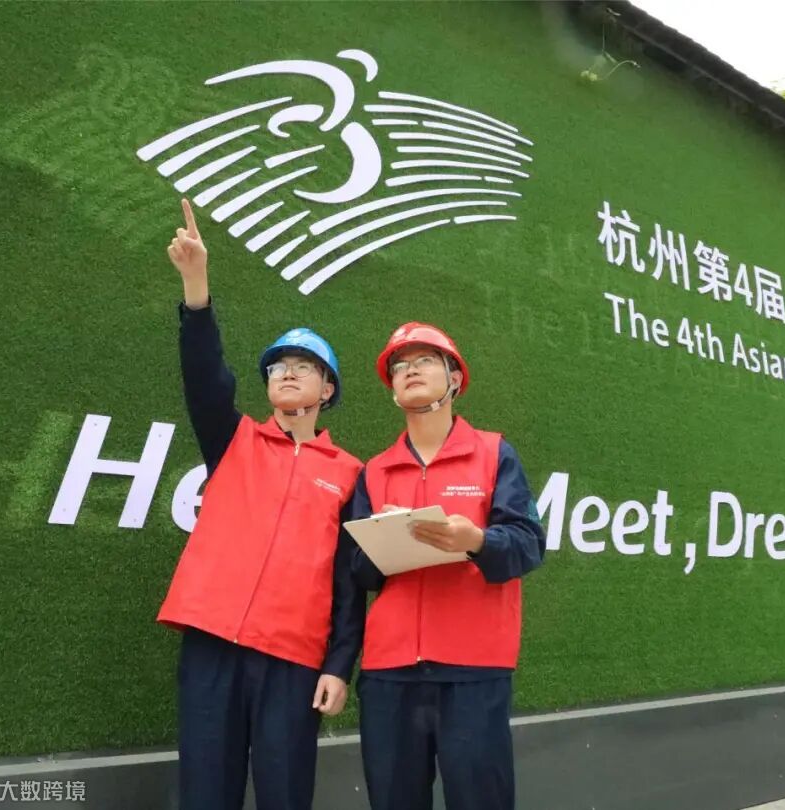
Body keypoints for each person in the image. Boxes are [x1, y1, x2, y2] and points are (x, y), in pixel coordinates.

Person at [157, 198, 364, 810]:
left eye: (305, 366)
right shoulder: (234, 440)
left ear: (328, 389)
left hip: (294, 662)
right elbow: (205, 378)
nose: (288, 373)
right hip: (213, 647)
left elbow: (349, 582)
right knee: (205, 795)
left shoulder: (351, 474)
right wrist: (197, 289)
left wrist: (339, 665)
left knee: (285, 796)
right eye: (278, 366)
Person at [348, 322, 546, 810]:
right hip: (389, 671)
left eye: (424, 360)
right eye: (400, 365)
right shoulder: (374, 471)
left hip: (473, 669)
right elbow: (358, 571)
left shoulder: (495, 453)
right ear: (392, 389)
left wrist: (475, 540)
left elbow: (528, 544)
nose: (409, 369)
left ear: (454, 378)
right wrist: (384, 539)